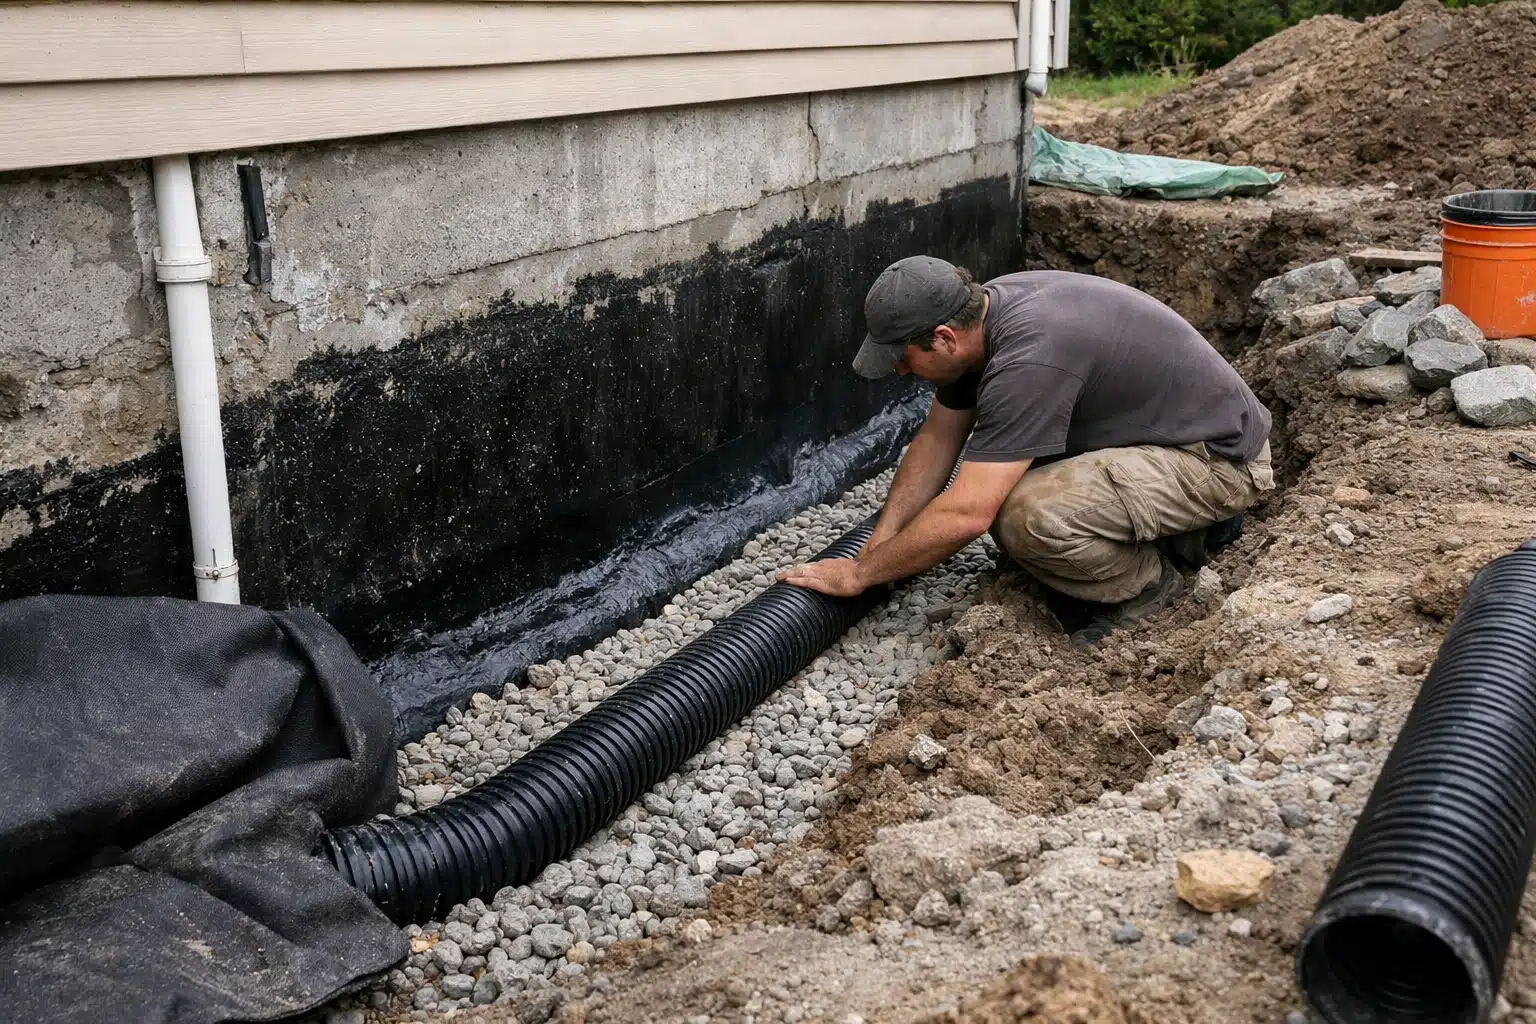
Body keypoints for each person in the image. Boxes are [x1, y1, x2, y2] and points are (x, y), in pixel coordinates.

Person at [778, 256, 1274, 644]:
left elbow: (969, 514)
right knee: (1015, 469)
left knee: (1025, 513)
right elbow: (936, 440)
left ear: (944, 338)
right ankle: (1184, 532)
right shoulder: (987, 315)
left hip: (1215, 460)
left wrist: (860, 574)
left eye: (903, 359)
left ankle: (1148, 589)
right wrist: (879, 547)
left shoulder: (1030, 358)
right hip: (1172, 431)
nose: (900, 372)